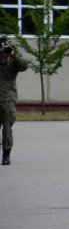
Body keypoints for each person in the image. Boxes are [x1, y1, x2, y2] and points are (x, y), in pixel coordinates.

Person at [0, 37, 28, 166]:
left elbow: (24, 66)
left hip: (7, 100)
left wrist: (12, 53)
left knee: (7, 129)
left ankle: (6, 155)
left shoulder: (12, 61)